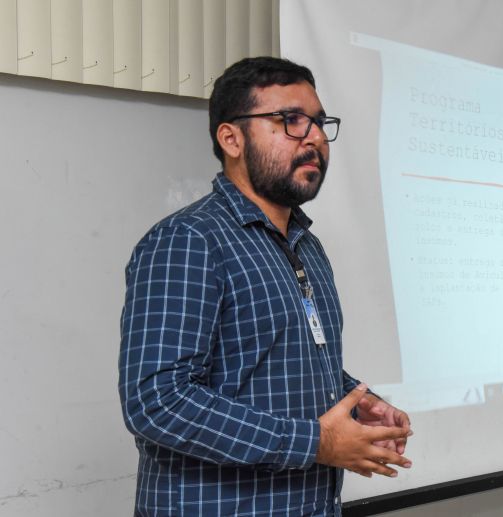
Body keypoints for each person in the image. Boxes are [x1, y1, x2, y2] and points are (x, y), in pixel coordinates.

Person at [118, 57, 412, 516]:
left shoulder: (306, 245)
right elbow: (158, 401)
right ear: (231, 138)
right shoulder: (189, 240)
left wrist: (359, 401)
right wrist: (314, 441)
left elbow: (280, 363)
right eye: (290, 120)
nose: (313, 136)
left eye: (318, 121)